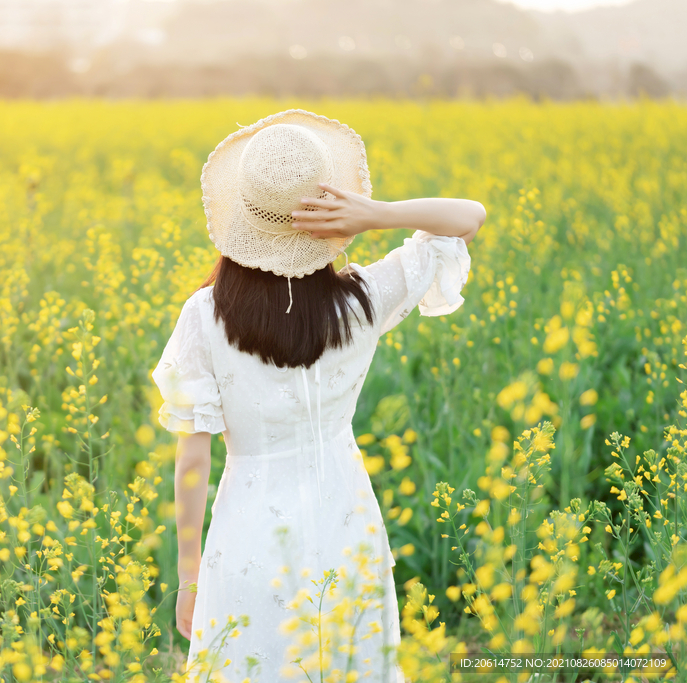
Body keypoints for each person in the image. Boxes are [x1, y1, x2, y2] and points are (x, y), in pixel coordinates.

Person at [151, 110, 484, 682]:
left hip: (249, 534)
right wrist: (375, 216)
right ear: (330, 212)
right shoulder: (362, 300)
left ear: (244, 217)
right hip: (346, 524)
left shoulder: (205, 315)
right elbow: (467, 217)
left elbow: (193, 458)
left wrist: (189, 578)